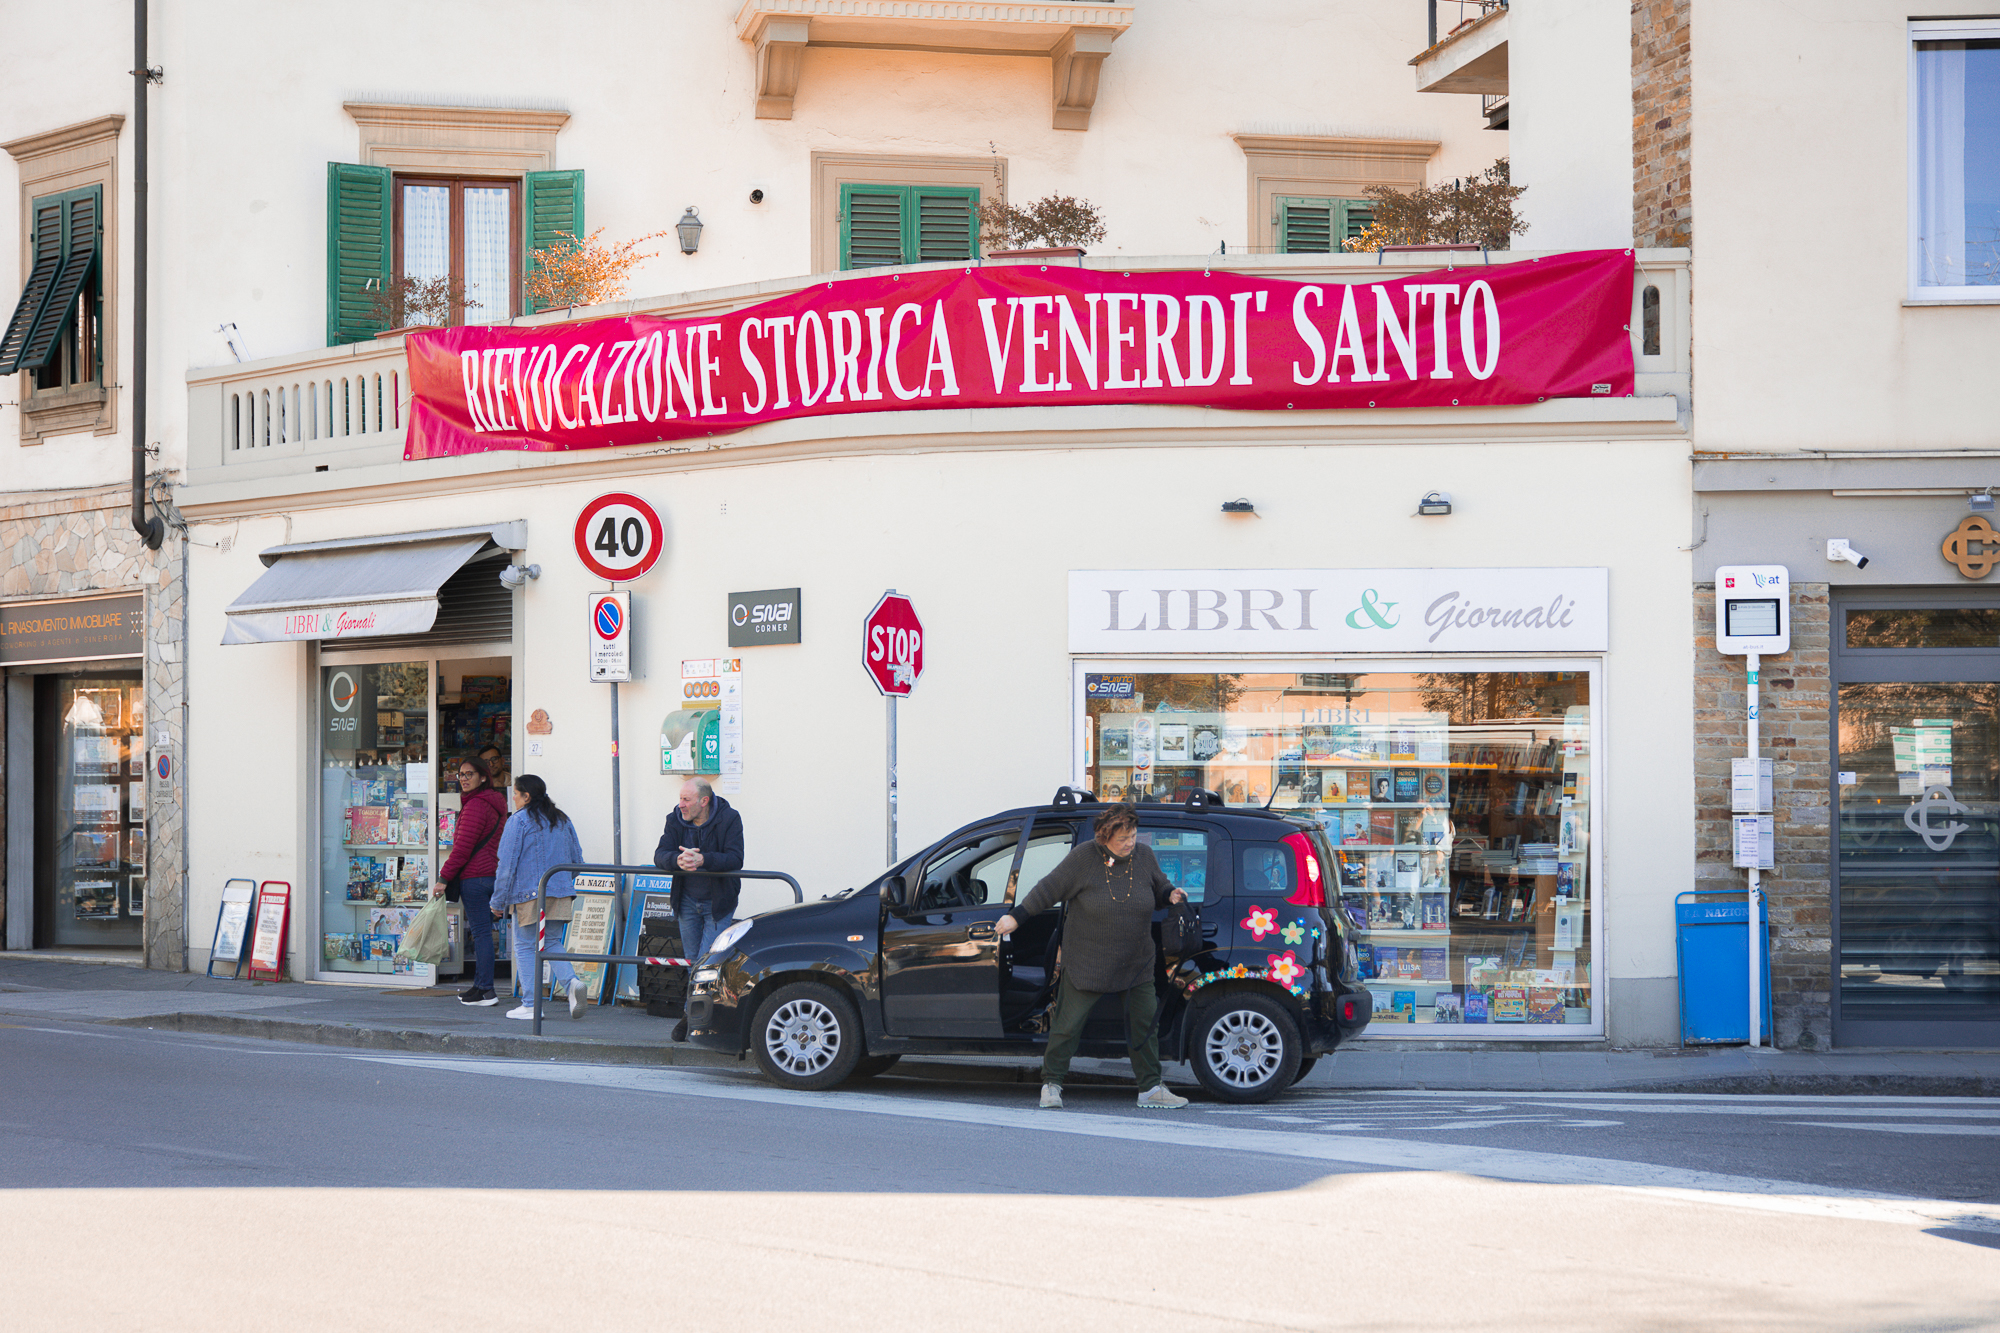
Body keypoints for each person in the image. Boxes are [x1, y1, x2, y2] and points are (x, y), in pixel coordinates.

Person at [995, 802, 1191, 1111]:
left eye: (1133, 835)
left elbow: (1159, 887)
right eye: (1123, 838)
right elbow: (1048, 889)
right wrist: (1017, 917)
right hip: (1088, 961)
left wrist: (1170, 894)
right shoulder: (1084, 858)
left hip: (1136, 961)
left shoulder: (1144, 856)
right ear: (1104, 837)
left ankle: (1151, 1088)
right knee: (1067, 1025)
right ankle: (1052, 1083)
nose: (1130, 843)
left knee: (1145, 1025)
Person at [652, 777, 745, 1041]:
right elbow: (660, 854)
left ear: (704, 801)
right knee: (693, 961)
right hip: (686, 900)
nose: (681, 804)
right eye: (680, 799)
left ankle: (691, 1017)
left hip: (718, 902)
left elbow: (735, 858)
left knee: (707, 962)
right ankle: (700, 1016)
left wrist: (704, 860)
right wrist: (677, 860)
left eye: (686, 799)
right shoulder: (674, 819)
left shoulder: (729, 818)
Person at [491, 774, 587, 1021]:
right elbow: (577, 861)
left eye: (515, 793)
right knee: (551, 942)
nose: (512, 798)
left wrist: (498, 901)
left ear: (526, 796)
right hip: (560, 892)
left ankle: (531, 1005)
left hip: (528, 895)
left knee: (524, 946)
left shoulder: (518, 821)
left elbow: (506, 865)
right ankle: (572, 983)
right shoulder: (562, 819)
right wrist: (561, 883)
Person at [442, 755, 509, 1006]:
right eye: (461, 774)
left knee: (481, 934)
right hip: (491, 874)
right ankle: (480, 986)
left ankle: (486, 990)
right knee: (484, 933)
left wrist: (443, 878)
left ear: (483, 777)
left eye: (469, 774)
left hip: (475, 877)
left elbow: (462, 848)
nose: (463, 779)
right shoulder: (494, 803)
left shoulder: (475, 805)